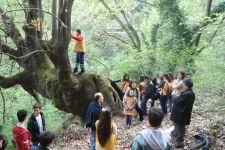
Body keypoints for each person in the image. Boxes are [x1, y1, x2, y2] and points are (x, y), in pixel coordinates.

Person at [170, 78, 195, 148]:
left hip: (181, 115)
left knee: (179, 128)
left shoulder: (187, 94)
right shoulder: (190, 93)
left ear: (186, 85)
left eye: (183, 83)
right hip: (183, 114)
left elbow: (177, 101)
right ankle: (175, 137)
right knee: (179, 128)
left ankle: (179, 143)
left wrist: (173, 95)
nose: (182, 85)